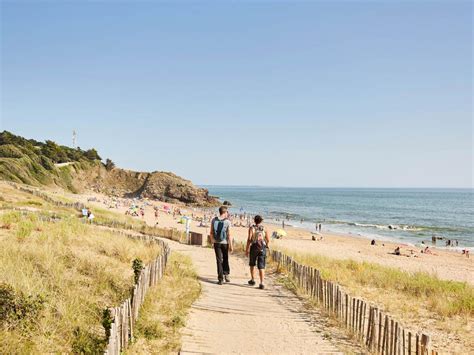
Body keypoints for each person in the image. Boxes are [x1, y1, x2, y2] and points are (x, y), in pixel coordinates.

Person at [245, 215, 270, 290]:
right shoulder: (264, 228)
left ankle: (253, 280)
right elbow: (268, 239)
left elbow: (249, 239)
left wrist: (247, 249)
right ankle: (262, 282)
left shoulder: (252, 228)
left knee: (252, 264)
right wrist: (266, 245)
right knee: (261, 266)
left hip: (254, 247)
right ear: (261, 221)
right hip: (262, 247)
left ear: (254, 220)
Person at [210, 206, 233, 285]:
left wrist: (213, 242)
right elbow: (229, 235)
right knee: (225, 258)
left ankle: (220, 279)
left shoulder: (214, 220)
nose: (227, 214)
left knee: (219, 260)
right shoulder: (227, 222)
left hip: (217, 243)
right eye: (227, 212)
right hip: (225, 243)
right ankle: (226, 274)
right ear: (225, 212)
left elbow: (211, 232)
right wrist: (231, 245)